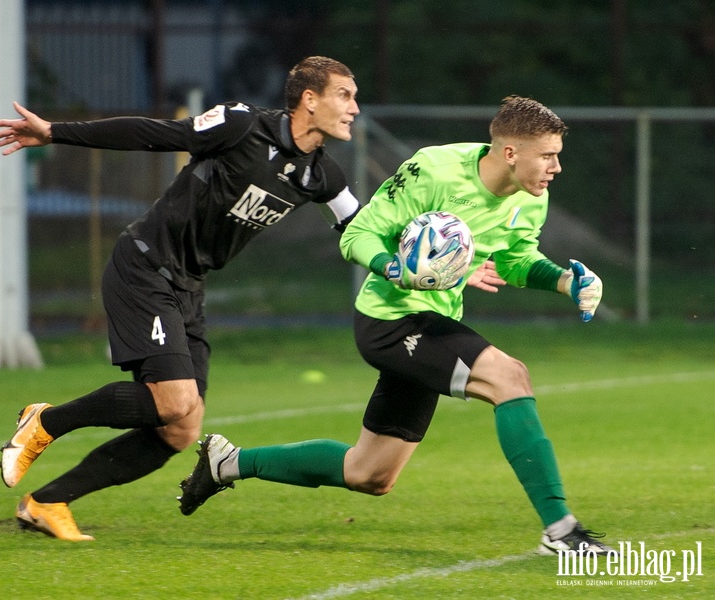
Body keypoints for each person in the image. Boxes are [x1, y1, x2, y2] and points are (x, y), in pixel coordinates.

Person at [178, 95, 616, 556]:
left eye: (556, 156)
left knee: (370, 474)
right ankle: (560, 530)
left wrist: (566, 282)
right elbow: (358, 233)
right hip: (390, 319)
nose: (556, 167)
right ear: (510, 153)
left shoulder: (532, 200)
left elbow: (515, 259)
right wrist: (395, 268)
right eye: (548, 155)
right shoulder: (435, 170)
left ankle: (228, 462)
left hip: (434, 321)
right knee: (510, 377)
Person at [0, 56, 369, 541]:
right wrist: (57, 132)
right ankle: (46, 420)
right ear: (309, 100)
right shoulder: (241, 124)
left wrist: (428, 264)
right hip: (145, 265)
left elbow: (361, 228)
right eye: (344, 95)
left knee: (180, 430)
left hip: (189, 285)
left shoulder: (322, 175)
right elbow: (156, 133)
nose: (354, 107)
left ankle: (48, 501)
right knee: (174, 400)